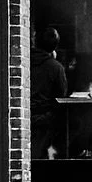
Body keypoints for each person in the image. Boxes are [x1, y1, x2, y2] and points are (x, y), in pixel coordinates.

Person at [30, 27, 68, 159]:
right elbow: (61, 97)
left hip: (24, 116)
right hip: (45, 121)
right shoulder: (56, 68)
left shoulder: (23, 63)